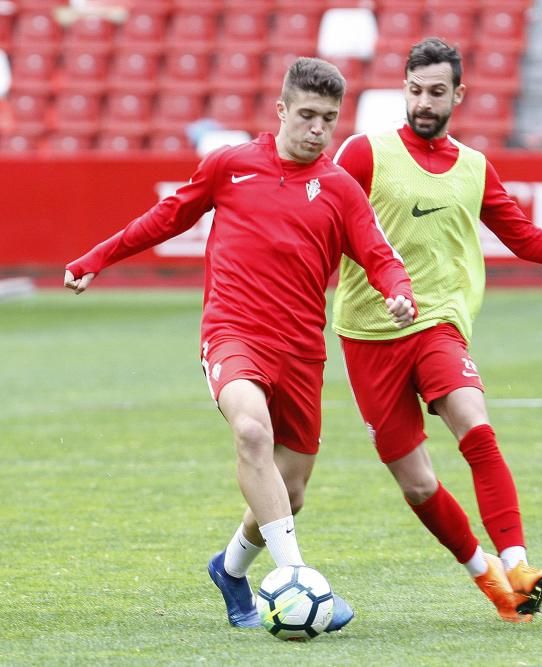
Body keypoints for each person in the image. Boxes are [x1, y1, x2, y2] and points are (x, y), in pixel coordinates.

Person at [64, 57, 416, 629]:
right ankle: (296, 578)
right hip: (233, 333)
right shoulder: (230, 167)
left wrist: (399, 293)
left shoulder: (339, 188)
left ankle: (229, 569)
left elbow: (380, 256)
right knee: (251, 429)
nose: (317, 129)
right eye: (306, 115)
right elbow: (168, 217)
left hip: (302, 351)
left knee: (291, 491)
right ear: (280, 110)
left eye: (328, 118)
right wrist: (97, 257)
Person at [331, 37, 542, 622]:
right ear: (402, 89)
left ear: (459, 94)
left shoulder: (475, 167)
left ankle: (519, 563)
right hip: (366, 335)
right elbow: (321, 223)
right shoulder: (364, 154)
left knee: (475, 428)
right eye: (415, 91)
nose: (424, 103)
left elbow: (525, 237)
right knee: (417, 485)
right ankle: (487, 576)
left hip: (439, 327)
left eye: (437, 92)